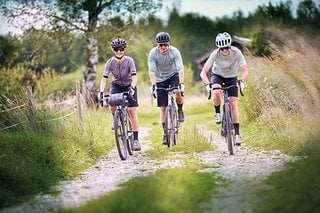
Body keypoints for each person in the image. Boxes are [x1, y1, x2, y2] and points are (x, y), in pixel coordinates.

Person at [200, 32, 248, 145]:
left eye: (226, 48)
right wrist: (208, 84)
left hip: (232, 77)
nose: (224, 51)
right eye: (222, 49)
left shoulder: (237, 52)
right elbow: (203, 73)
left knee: (233, 105)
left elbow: (245, 70)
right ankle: (217, 113)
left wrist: (241, 80)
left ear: (230, 46)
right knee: (216, 91)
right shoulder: (215, 54)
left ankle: (237, 135)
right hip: (218, 76)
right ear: (219, 48)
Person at [99, 38, 141, 151]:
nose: (119, 52)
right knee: (112, 102)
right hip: (116, 85)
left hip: (129, 85)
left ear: (124, 50)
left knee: (132, 112)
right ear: (113, 50)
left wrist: (132, 87)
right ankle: (115, 119)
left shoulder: (129, 61)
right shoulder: (109, 62)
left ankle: (136, 139)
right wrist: (101, 92)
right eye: (116, 49)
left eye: (121, 49)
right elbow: (104, 79)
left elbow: (134, 77)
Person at [148, 32, 185, 145]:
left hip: (173, 75)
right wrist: (154, 85)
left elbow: (180, 69)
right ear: (157, 45)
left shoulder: (175, 52)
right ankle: (165, 133)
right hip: (160, 79)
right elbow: (152, 71)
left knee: (177, 90)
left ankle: (179, 109)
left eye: (165, 45)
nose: (163, 47)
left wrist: (181, 83)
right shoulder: (153, 54)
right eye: (161, 45)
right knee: (163, 107)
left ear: (168, 44)